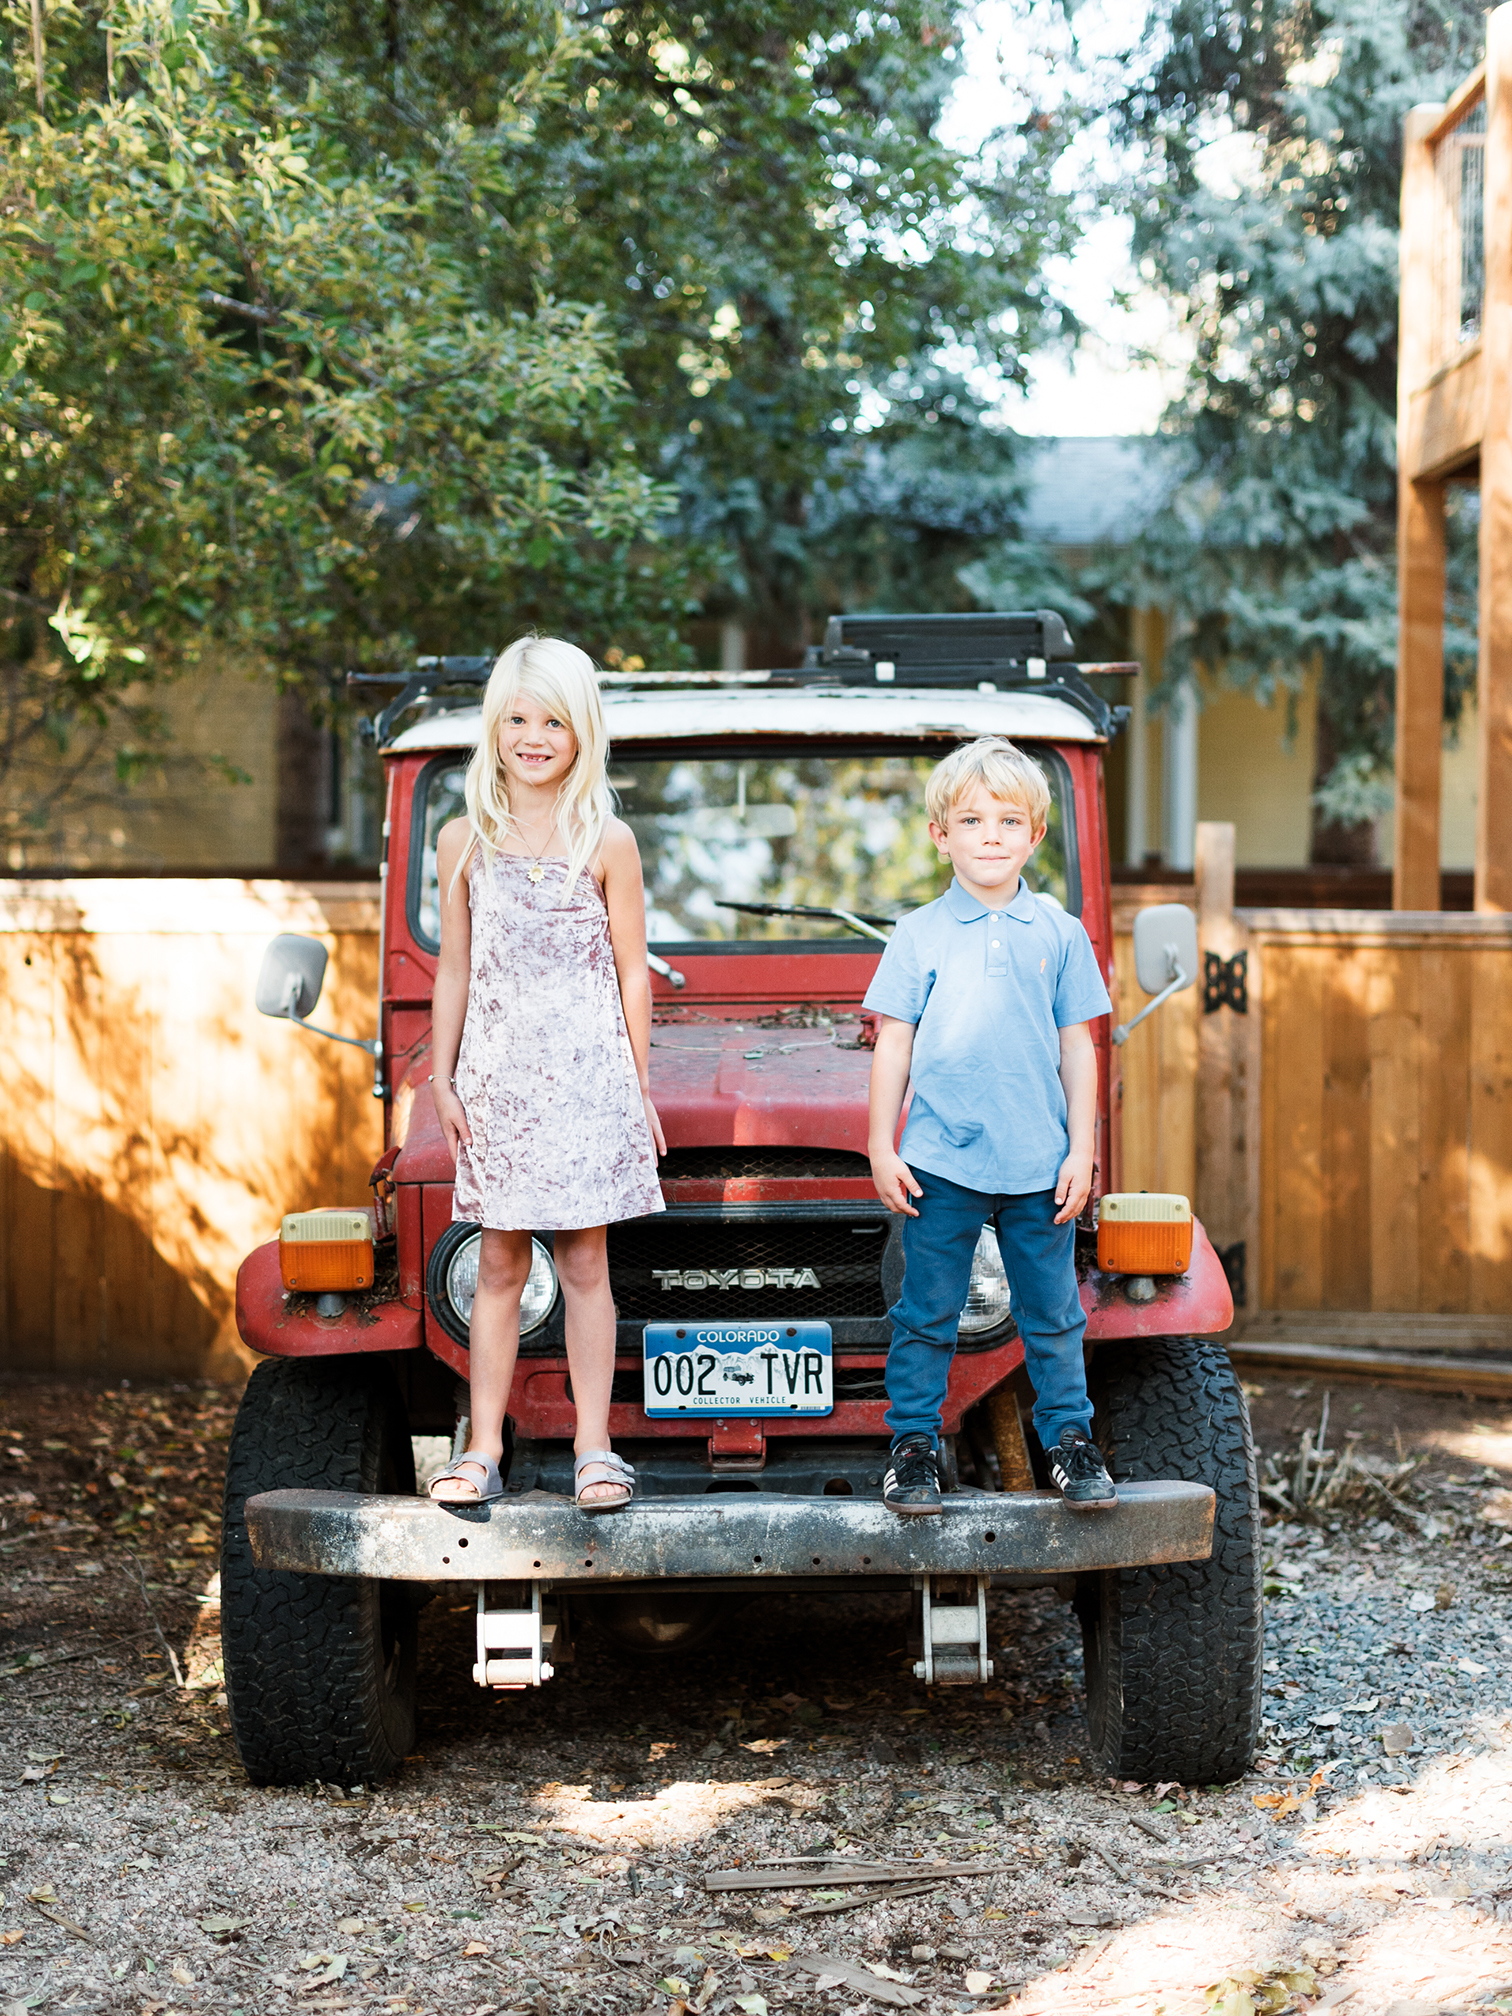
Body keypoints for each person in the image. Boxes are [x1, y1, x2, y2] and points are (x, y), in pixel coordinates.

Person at [426, 636, 666, 1513]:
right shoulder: (463, 840)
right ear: (495, 728)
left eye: (553, 720)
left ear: (582, 731)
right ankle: (484, 1447)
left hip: (588, 1084)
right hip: (498, 1087)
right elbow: (454, 969)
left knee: (586, 1264)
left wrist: (637, 1091)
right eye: (518, 719)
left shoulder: (608, 840)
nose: (533, 736)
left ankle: (594, 1451)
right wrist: (444, 1081)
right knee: (496, 1266)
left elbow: (633, 970)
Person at [864, 735, 1118, 1516]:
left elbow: (1079, 1046)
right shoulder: (919, 934)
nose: (991, 837)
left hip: (1040, 1165)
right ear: (941, 834)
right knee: (926, 1311)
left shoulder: (1060, 934)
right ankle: (913, 1447)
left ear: (1036, 835)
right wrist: (881, 1142)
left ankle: (1070, 1444)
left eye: (1010, 822)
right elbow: (894, 1043)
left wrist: (1084, 1148)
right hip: (939, 1161)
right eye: (972, 821)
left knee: (1053, 1314)